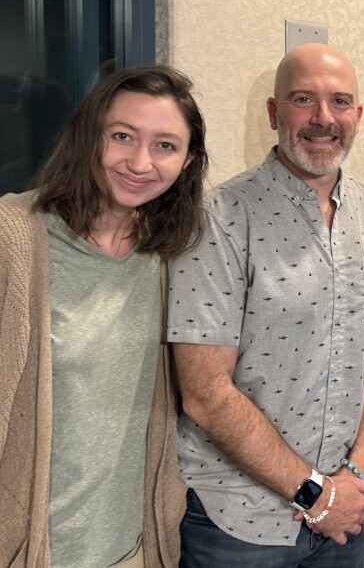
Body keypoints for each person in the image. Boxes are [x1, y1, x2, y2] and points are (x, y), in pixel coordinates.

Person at [169, 43, 364, 567]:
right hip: (237, 526)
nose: (324, 119)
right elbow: (205, 393)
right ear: (275, 113)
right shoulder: (219, 219)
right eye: (304, 100)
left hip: (345, 517)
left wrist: (358, 475)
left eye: (340, 102)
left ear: (358, 117)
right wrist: (314, 495)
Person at [0, 65, 208, 567]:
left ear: (187, 161)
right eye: (122, 136)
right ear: (88, 137)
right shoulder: (14, 238)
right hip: (29, 550)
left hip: (134, 548)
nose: (140, 162)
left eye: (165, 145)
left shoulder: (173, 256)